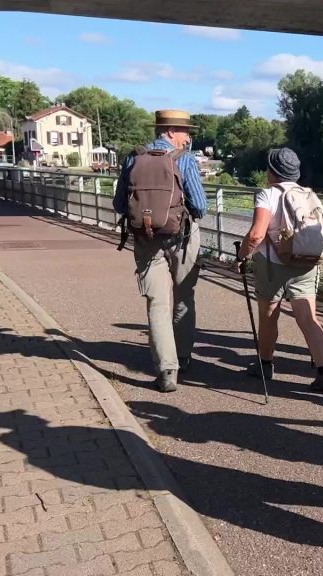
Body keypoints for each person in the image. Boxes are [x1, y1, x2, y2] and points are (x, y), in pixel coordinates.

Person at [113, 109, 207, 393]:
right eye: (184, 131)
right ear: (169, 132)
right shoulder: (184, 160)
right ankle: (183, 355)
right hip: (182, 236)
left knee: (156, 302)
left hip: (145, 238)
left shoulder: (134, 157)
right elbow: (200, 206)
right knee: (184, 294)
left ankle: (167, 370)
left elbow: (120, 204)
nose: (188, 137)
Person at [236, 148, 323, 392]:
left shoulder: (267, 194)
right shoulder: (308, 194)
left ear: (272, 171)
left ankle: (266, 364)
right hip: (306, 262)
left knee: (269, 315)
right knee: (308, 317)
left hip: (273, 265)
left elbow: (257, 234)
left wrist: (241, 255)